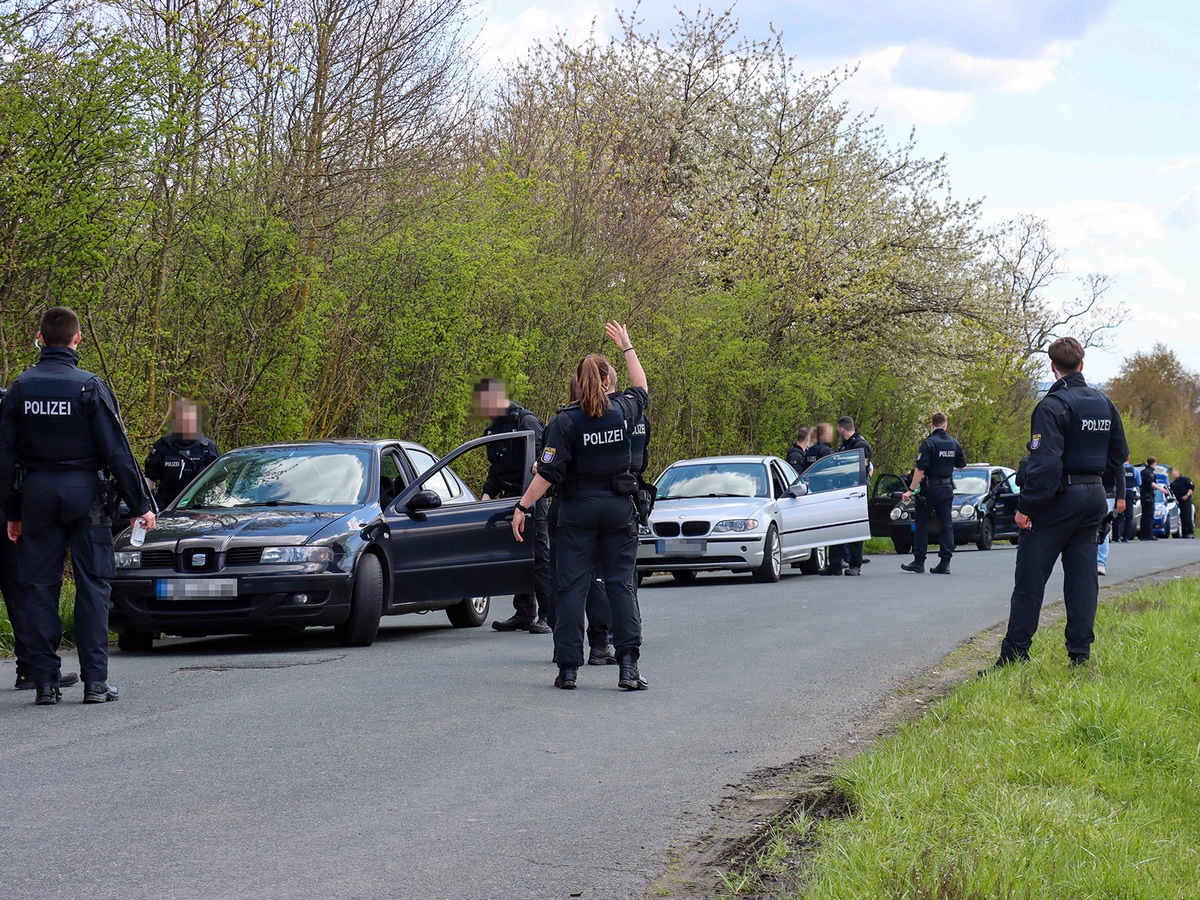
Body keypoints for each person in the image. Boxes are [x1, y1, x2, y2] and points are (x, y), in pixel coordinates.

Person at [0, 307, 156, 704]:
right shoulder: (89, 387)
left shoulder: (20, 389)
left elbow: (5, 458)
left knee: (37, 588)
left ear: (40, 338)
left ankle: (46, 683)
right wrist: (141, 504)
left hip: (36, 495)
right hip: (85, 494)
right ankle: (95, 683)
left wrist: (11, 513)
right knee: (92, 588)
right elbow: (118, 451)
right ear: (77, 338)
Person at [511, 321, 648, 691]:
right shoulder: (623, 412)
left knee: (571, 588)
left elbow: (547, 475)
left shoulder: (565, 422)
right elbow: (642, 388)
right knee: (620, 585)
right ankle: (628, 667)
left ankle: (568, 670)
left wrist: (522, 507)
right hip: (618, 509)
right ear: (607, 382)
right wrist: (626, 345)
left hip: (575, 512)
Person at [984, 337, 1127, 672]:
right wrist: (1094, 481)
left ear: (1053, 366)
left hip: (1059, 500)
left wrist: (1027, 506)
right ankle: (1079, 656)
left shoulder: (1052, 405)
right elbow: (1119, 455)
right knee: (1082, 581)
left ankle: (1015, 654)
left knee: (1030, 579)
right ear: (1082, 363)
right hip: (1092, 499)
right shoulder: (1104, 403)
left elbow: (1045, 464)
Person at [473, 378, 552, 634]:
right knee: (517, 555)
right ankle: (524, 612)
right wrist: (487, 494)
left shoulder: (526, 422)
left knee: (540, 557)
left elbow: (545, 464)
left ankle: (549, 615)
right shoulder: (493, 429)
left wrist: (530, 496)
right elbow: (495, 469)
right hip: (509, 497)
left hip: (533, 496)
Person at [900, 413, 966, 575]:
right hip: (947, 489)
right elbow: (962, 465)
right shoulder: (954, 444)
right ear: (945, 425)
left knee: (921, 524)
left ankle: (919, 561)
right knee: (946, 524)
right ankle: (945, 562)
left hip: (929, 490)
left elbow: (920, 469)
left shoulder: (928, 443)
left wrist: (910, 489)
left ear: (932, 425)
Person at [143, 398, 220, 509]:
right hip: (166, 508)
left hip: (200, 510)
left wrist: (215, 509)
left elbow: (220, 483)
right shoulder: (164, 445)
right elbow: (150, 478)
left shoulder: (208, 448)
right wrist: (141, 504)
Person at [824, 416, 872, 576]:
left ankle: (855, 565)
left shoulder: (860, 445)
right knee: (837, 529)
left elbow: (861, 471)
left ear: (842, 428)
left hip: (854, 494)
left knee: (854, 530)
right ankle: (835, 565)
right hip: (841, 493)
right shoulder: (846, 445)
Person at [1096, 455, 1127, 576]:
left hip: (1108, 493)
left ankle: (1100, 562)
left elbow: (1120, 476)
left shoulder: (1113, 453)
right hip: (1090, 490)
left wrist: (1121, 498)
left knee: (1103, 527)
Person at [1138, 457, 1163, 541]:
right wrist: (1161, 489)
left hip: (1143, 496)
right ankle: (1148, 534)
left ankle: (1143, 534)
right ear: (1154, 463)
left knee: (1144, 515)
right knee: (1149, 515)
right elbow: (1151, 483)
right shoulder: (1149, 473)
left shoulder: (1142, 472)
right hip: (1148, 496)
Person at [1119, 454, 1140, 542]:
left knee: (1118, 514)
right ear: (1129, 458)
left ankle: (1116, 535)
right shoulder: (1134, 469)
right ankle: (1126, 536)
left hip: (1119, 492)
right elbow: (1139, 482)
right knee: (1129, 515)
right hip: (1130, 492)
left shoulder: (1118, 468)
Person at [1170, 468, 1195, 538]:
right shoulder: (1174, 483)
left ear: (1178, 472)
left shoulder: (1185, 479)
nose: (1173, 473)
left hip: (1186, 500)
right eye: (1173, 472)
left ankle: (1191, 532)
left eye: (1175, 472)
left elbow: (1192, 487)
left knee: (1187, 516)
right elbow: (1172, 492)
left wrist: (1187, 495)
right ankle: (1184, 533)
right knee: (1182, 516)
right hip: (1179, 501)